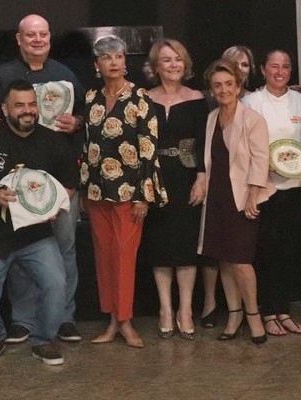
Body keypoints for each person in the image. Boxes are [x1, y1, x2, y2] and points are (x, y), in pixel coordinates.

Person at [0, 13, 85, 344]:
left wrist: (77, 123)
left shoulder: (65, 73)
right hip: (18, 181)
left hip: (60, 178)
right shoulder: (2, 74)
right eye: (30, 35)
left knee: (64, 249)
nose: (37, 40)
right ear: (19, 39)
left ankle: (64, 317)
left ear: (49, 37)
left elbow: (84, 114)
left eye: (43, 34)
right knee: (22, 247)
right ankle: (24, 319)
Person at [0, 79, 75, 366]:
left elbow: (69, 184)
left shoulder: (53, 140)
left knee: (56, 284)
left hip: (35, 235)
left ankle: (44, 339)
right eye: (19, 105)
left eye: (32, 104)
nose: (27, 110)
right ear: (4, 110)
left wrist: (54, 204)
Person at [82, 36, 164, 349]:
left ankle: (126, 320)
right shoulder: (91, 97)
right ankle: (112, 320)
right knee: (104, 259)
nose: (113, 62)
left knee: (124, 257)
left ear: (125, 61)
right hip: (96, 193)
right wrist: (85, 189)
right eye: (106, 57)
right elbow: (87, 146)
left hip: (129, 193)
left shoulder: (140, 97)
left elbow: (149, 150)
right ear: (97, 64)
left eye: (118, 56)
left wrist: (144, 195)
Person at [196, 59, 273, 345]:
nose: (224, 90)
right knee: (224, 260)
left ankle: (254, 316)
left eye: (229, 84)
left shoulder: (253, 119)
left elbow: (261, 160)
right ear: (211, 89)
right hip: (217, 197)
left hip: (242, 198)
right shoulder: (211, 118)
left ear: (238, 87)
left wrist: (253, 195)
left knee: (241, 261)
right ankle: (234, 314)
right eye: (217, 85)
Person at [140, 39, 206, 339]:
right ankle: (166, 309)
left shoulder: (197, 98)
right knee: (160, 246)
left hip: (187, 176)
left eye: (178, 59)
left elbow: (203, 143)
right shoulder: (143, 99)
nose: (174, 64)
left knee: (185, 247)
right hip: (155, 178)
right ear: (156, 66)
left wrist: (202, 177)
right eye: (167, 59)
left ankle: (186, 309)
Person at [242, 50, 301, 336]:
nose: (280, 72)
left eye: (285, 66)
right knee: (266, 252)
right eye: (274, 66)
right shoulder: (251, 102)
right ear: (263, 69)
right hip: (264, 188)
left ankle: (284, 310)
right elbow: (245, 144)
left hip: (295, 187)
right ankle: (267, 313)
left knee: (288, 251)